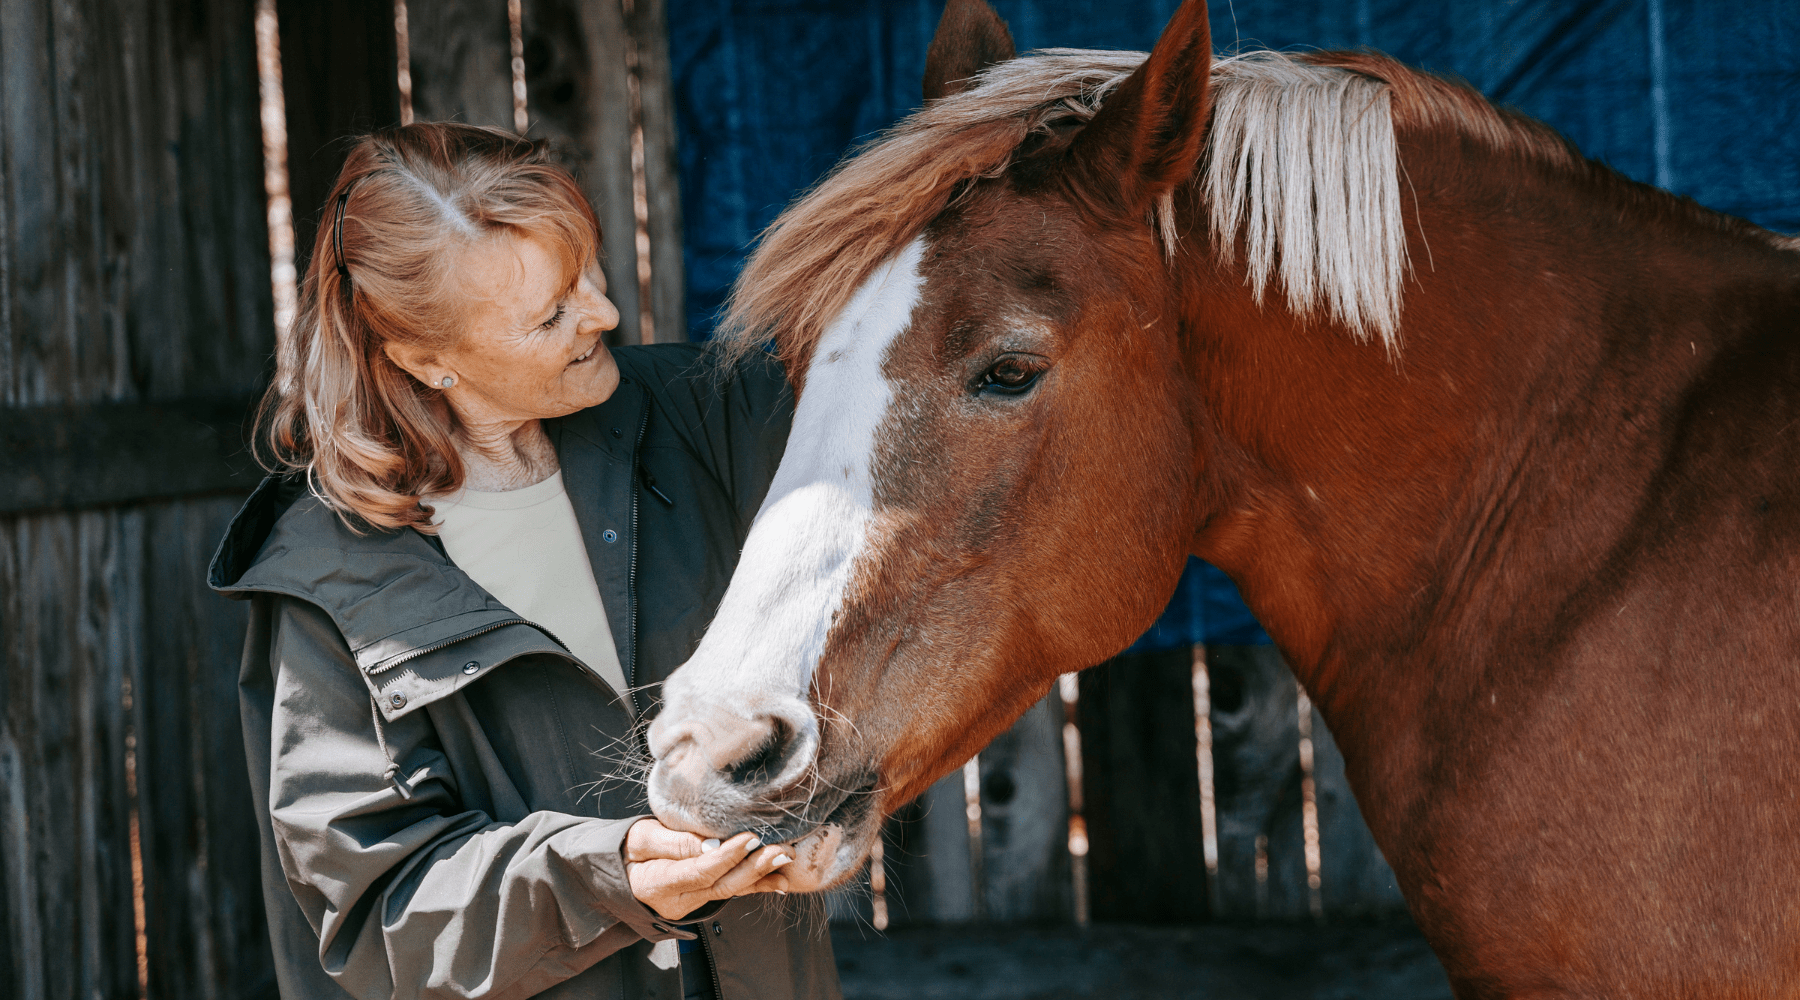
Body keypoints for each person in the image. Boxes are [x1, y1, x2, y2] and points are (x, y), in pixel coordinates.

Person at [208, 123, 842, 1000]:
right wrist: (615, 874)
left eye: (586, 271)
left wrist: (827, 799)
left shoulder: (709, 414)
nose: (604, 315)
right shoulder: (332, 578)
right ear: (425, 360)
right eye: (550, 315)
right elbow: (377, 914)